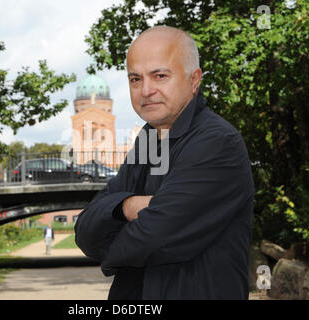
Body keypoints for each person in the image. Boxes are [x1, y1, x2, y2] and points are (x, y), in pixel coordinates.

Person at [75, 26, 255, 300]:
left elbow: (152, 239)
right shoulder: (149, 138)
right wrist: (127, 206)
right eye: (135, 79)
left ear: (194, 80)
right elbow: (84, 229)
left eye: (160, 76)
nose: (146, 90)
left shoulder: (218, 143)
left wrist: (107, 243)